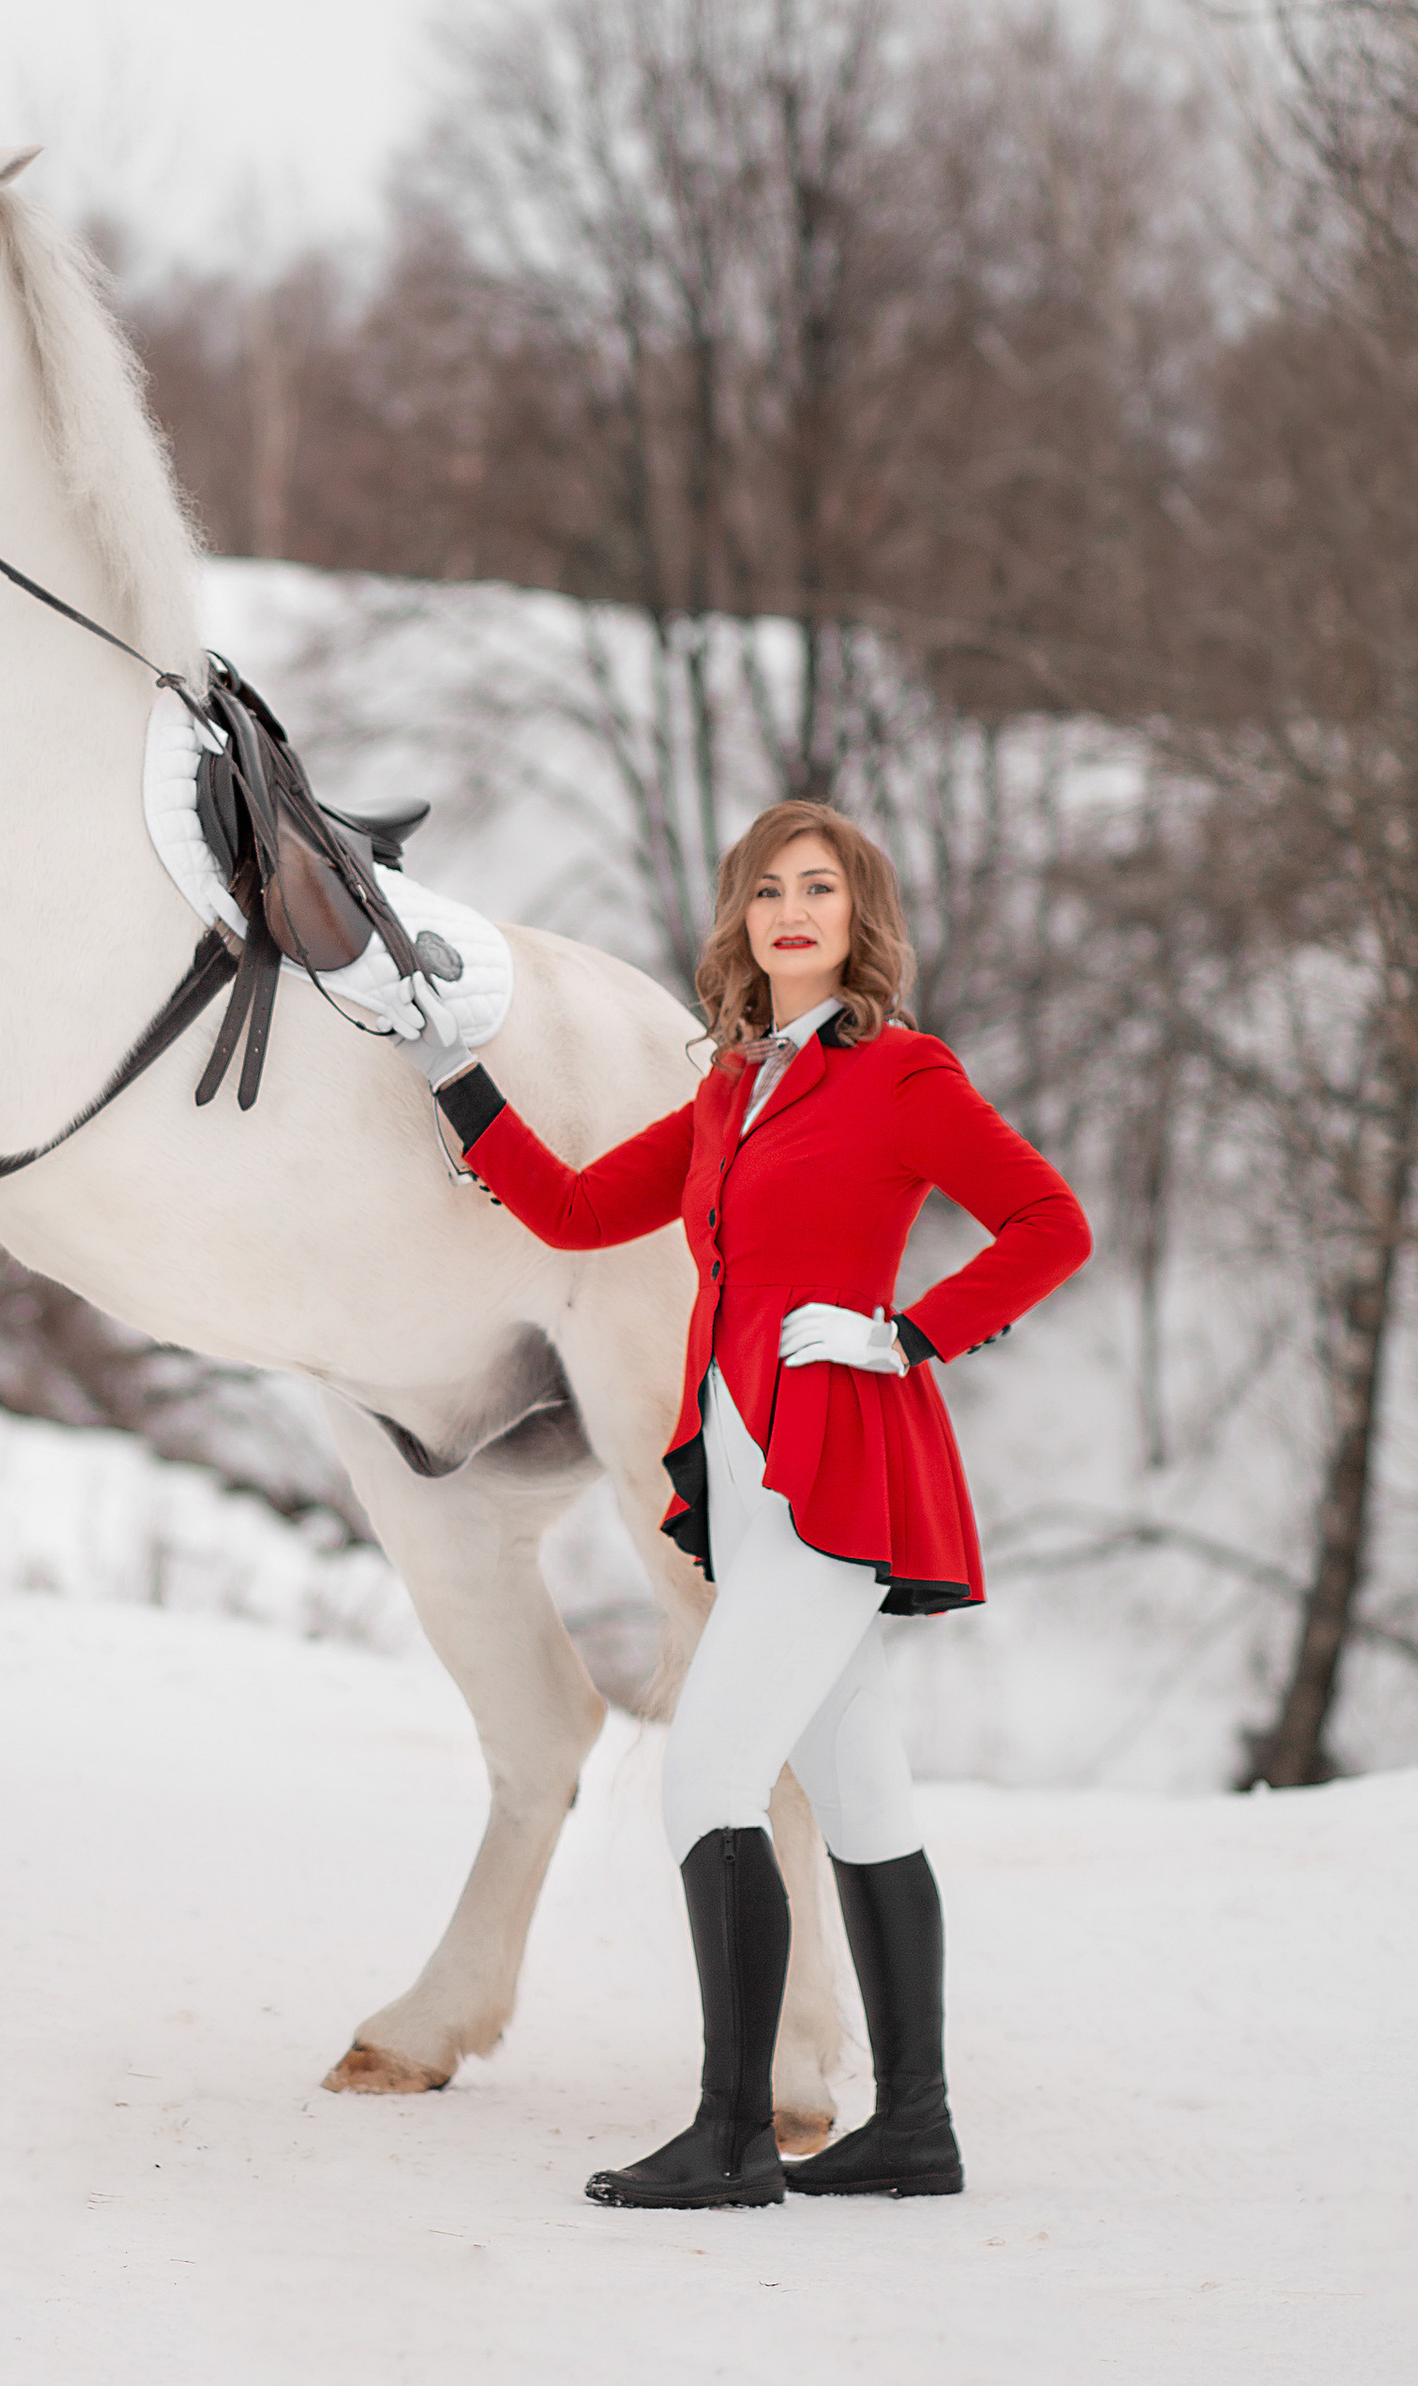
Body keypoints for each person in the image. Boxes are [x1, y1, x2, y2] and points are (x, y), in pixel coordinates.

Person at [402, 803, 1090, 2212]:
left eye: (821, 888)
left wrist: (912, 1333)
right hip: (740, 1473)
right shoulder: (729, 1090)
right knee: (862, 1796)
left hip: (838, 1477)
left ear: (858, 917)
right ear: (741, 919)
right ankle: (917, 2129)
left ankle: (729, 2136)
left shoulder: (902, 1075)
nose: (793, 909)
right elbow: (585, 1210)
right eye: (768, 887)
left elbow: (1049, 1223)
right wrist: (456, 1083)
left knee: (709, 1777)